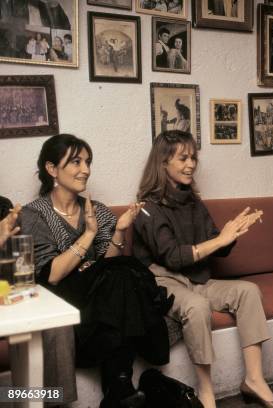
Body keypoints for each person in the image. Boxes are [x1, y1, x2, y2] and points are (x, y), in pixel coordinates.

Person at [133, 131, 273, 408]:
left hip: (199, 278)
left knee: (248, 291)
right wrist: (220, 239)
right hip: (164, 281)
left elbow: (218, 243)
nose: (191, 164)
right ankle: (206, 392)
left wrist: (233, 233)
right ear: (163, 162)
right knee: (196, 307)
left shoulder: (193, 202)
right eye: (183, 158)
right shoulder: (147, 209)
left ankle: (254, 380)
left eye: (193, 157)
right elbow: (173, 256)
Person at [19, 134, 174, 407]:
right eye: (76, 162)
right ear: (52, 169)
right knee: (125, 275)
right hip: (63, 299)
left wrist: (119, 230)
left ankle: (119, 387)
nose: (86, 169)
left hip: (100, 303)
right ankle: (123, 379)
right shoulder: (35, 214)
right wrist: (89, 234)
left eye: (88, 162)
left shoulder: (98, 210)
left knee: (122, 274)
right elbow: (52, 275)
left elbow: (107, 261)